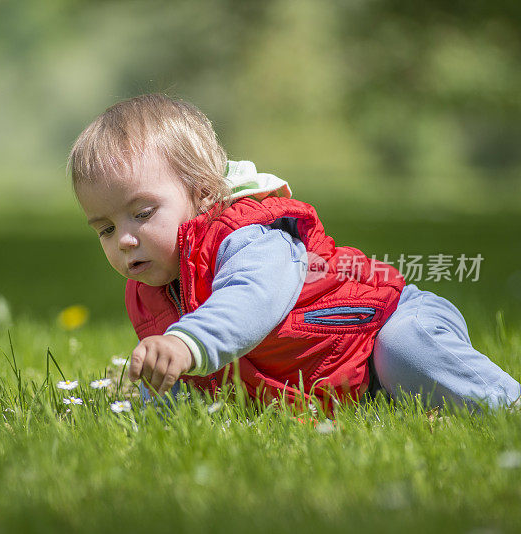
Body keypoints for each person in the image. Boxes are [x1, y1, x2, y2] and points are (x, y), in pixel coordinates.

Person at [68, 93, 520, 411]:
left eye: (142, 213)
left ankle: (508, 405)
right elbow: (190, 378)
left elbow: (246, 305)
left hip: (384, 324)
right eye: (105, 228)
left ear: (202, 192)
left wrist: (184, 344)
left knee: (405, 350)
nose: (124, 239)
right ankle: (387, 400)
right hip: (333, 374)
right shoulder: (153, 288)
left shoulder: (250, 240)